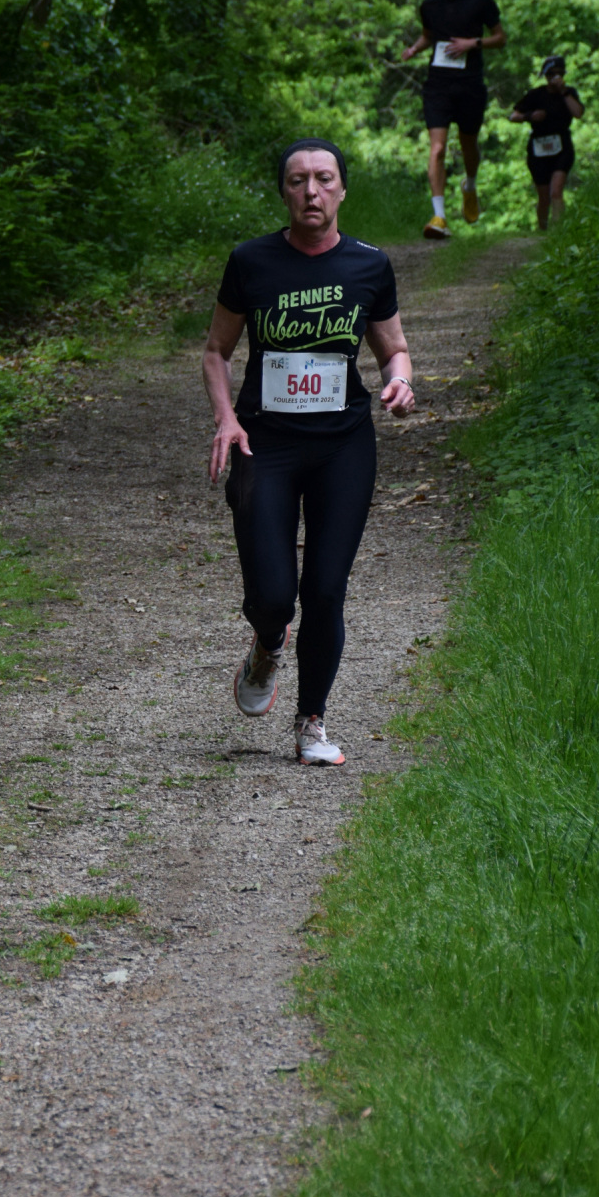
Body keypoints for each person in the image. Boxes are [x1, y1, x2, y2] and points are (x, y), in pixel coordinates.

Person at [203, 140, 417, 766]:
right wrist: (225, 419)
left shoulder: (369, 265)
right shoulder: (251, 261)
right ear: (284, 192)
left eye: (324, 179)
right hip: (263, 441)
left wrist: (401, 382)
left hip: (343, 445)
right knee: (274, 595)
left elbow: (393, 350)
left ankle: (312, 723)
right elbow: (216, 351)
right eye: (298, 181)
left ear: (343, 189)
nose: (311, 191)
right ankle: (268, 642)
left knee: (325, 588)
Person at [400, 0, 505, 240]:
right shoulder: (429, 6)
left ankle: (469, 185)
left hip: (470, 84)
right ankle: (439, 217)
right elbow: (428, 36)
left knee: (468, 144)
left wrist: (473, 43)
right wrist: (414, 49)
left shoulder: (481, 1)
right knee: (437, 149)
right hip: (438, 85)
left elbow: (500, 38)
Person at [509, 56, 585, 231]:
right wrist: (530, 116)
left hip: (562, 147)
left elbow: (578, 113)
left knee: (556, 191)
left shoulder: (569, 93)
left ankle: (558, 231)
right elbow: (513, 116)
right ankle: (542, 231)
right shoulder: (535, 95)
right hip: (539, 149)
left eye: (559, 73)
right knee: (544, 197)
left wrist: (563, 92)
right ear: (545, 75)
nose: (555, 77)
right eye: (551, 74)